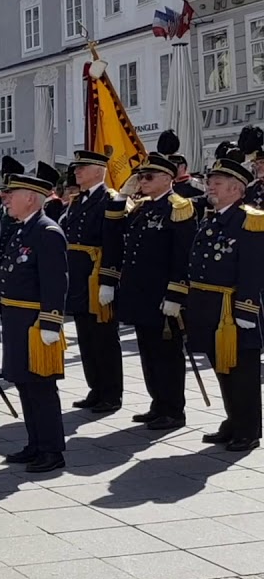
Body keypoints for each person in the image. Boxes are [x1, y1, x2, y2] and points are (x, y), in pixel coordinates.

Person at [186, 155, 264, 452]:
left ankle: (248, 429)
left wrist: (245, 307)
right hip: (210, 306)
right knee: (222, 368)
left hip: (234, 309)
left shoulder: (251, 220)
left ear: (236, 188)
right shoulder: (211, 219)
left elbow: (253, 269)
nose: (210, 187)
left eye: (217, 183)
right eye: (210, 182)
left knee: (242, 371)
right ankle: (232, 420)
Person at [0, 165, 70, 473]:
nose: (5, 200)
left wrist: (51, 322)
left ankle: (52, 450)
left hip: (36, 322)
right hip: (16, 320)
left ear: (30, 197)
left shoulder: (46, 231)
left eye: (10, 195)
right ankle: (35, 442)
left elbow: (55, 281)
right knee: (25, 384)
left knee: (41, 387)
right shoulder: (23, 228)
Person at [116, 152, 197, 431]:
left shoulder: (179, 207)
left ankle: (174, 409)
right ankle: (157, 403)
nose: (143, 181)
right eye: (141, 176)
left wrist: (176, 294)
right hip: (141, 294)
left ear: (167, 178)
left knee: (167, 355)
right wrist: (121, 195)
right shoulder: (142, 207)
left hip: (163, 295)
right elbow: (115, 225)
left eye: (148, 176)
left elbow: (183, 256)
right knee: (148, 351)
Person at [61, 150, 127, 414]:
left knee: (104, 339)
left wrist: (108, 281)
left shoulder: (110, 200)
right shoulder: (78, 200)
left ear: (99, 170)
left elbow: (114, 242)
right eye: (76, 168)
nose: (77, 172)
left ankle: (111, 393)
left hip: (97, 277)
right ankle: (96, 388)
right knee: (86, 337)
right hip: (78, 278)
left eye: (83, 167)